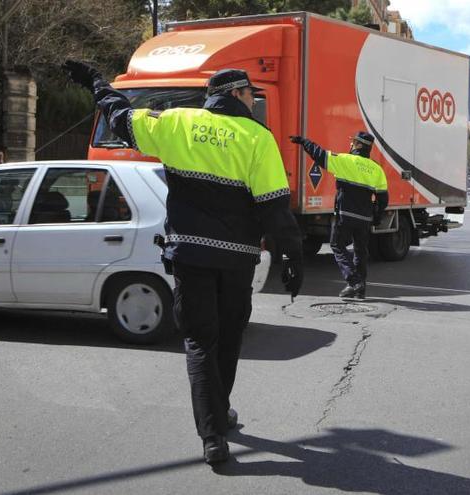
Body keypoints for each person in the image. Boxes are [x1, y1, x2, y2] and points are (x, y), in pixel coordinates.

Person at [64, 60, 304, 465]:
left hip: (190, 255)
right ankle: (218, 414)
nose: (252, 101)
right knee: (228, 338)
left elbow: (120, 116)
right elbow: (275, 208)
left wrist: (97, 82)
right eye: (250, 95)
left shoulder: (175, 123)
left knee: (199, 342)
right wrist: (293, 257)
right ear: (236, 94)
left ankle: (212, 435)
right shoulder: (257, 138)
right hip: (237, 261)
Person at [290, 132, 388, 299]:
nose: (350, 145)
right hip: (364, 218)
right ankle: (360, 289)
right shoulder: (377, 169)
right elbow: (383, 198)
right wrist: (376, 216)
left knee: (336, 244)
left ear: (358, 145)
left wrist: (304, 142)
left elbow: (319, 154)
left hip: (345, 214)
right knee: (360, 251)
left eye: (353, 143)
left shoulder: (345, 160)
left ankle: (353, 281)